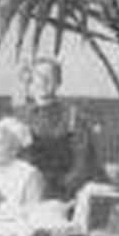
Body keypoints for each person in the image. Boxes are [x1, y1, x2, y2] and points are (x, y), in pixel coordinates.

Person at [16, 56, 97, 201]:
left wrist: (59, 190)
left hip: (63, 196)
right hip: (26, 193)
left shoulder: (73, 117)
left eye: (50, 77)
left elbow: (83, 164)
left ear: (59, 82)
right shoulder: (21, 118)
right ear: (31, 81)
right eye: (39, 77)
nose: (43, 82)